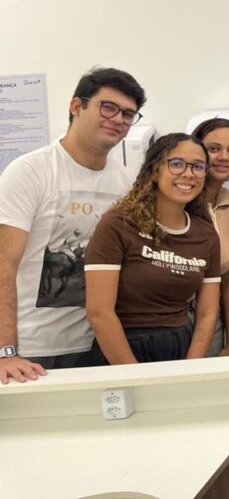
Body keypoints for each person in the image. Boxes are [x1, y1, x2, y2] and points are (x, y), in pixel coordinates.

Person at [0, 67, 146, 383]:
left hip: (98, 344)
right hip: (32, 349)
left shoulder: (126, 183)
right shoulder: (30, 171)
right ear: (77, 106)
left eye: (128, 114)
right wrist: (6, 351)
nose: (118, 119)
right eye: (108, 107)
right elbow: (4, 265)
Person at [85, 134, 221, 363]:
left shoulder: (206, 234)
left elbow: (207, 314)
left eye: (198, 167)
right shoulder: (118, 224)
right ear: (155, 171)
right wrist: (135, 376)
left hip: (182, 346)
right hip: (122, 350)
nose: (189, 174)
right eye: (177, 164)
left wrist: (192, 367)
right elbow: (99, 313)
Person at [192, 117, 229, 356]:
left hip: (213, 325)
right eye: (214, 149)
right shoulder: (175, 201)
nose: (224, 157)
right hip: (169, 326)